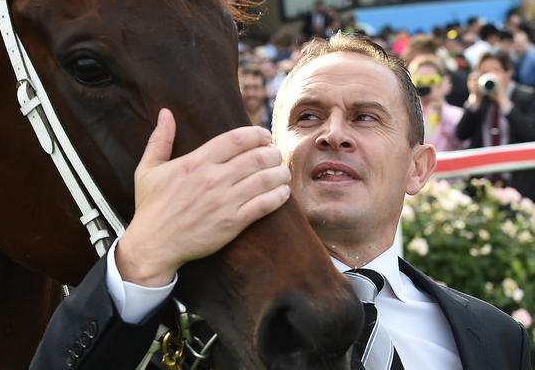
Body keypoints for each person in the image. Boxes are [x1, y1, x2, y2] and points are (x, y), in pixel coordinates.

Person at [31, 35, 530, 369]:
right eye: (308, 117)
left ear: (418, 168)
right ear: (271, 155)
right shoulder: (180, 324)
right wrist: (140, 259)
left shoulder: (496, 339)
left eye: (365, 118)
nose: (334, 135)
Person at [456, 49, 535, 201]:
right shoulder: (480, 99)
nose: (490, 75)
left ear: (508, 73)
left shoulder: (527, 96)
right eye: (484, 71)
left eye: (496, 71)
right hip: (483, 183)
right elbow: (461, 134)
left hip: (519, 184)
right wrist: (474, 99)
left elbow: (530, 133)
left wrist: (502, 100)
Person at [409, 55, 467, 151]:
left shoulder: (457, 114)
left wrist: (439, 112)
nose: (426, 85)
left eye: (431, 80)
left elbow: (464, 142)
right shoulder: (407, 115)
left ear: (444, 81)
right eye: (419, 81)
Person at [238, 66, 272, 130]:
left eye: (255, 88)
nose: (251, 93)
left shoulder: (277, 118)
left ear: (265, 90)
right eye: (246, 88)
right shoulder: (231, 119)